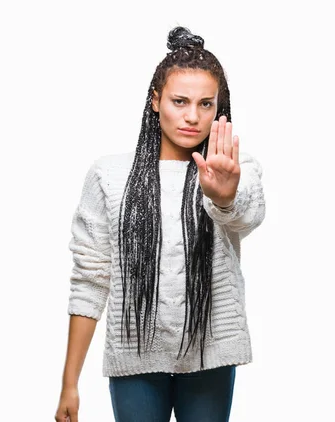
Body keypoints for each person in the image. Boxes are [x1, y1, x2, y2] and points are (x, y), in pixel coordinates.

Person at [55, 26, 266, 422]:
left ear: (219, 108)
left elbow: (247, 213)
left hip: (211, 355)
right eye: (179, 101)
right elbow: (90, 277)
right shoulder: (109, 176)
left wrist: (222, 195)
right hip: (135, 355)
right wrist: (70, 382)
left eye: (206, 104)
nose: (192, 116)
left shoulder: (237, 170)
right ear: (155, 101)